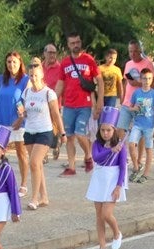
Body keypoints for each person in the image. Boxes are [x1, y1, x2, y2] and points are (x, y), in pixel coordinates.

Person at [21, 60, 63, 209]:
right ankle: (44, 196)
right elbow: (26, 113)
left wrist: (62, 132)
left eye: (36, 75)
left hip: (44, 132)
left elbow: (56, 114)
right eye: (31, 75)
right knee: (37, 165)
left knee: (33, 162)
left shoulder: (48, 93)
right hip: (30, 131)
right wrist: (22, 114)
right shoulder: (26, 92)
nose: (33, 78)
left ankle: (34, 198)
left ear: (42, 75)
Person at [57, 33, 100, 177]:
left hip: (84, 104)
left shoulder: (89, 60)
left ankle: (88, 156)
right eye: (72, 43)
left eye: (77, 42)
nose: (76, 45)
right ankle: (71, 166)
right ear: (68, 45)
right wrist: (51, 99)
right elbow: (60, 83)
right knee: (69, 136)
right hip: (68, 104)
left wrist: (99, 102)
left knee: (80, 134)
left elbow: (98, 81)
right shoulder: (64, 63)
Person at [87, 106, 127, 249]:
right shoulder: (97, 144)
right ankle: (102, 247)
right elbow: (96, 157)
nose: (105, 133)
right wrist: (111, 150)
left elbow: (123, 167)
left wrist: (119, 186)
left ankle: (117, 233)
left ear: (114, 130)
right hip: (99, 179)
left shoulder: (121, 147)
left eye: (108, 130)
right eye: (103, 130)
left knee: (106, 214)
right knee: (99, 215)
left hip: (113, 180)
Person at [0, 52, 30, 196]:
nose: (11, 64)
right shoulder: (2, 79)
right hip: (1, 121)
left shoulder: (25, 80)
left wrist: (21, 119)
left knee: (20, 153)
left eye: (14, 62)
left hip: (17, 122)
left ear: (20, 63)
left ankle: (23, 184)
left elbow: (26, 102)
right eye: (9, 61)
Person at [127, 69, 154, 183]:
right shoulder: (136, 93)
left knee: (148, 149)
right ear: (140, 79)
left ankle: (146, 173)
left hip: (149, 126)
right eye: (145, 78)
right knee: (131, 144)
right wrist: (134, 108)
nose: (147, 81)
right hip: (137, 124)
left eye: (149, 78)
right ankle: (136, 167)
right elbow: (130, 107)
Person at [122, 39, 154, 106]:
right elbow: (126, 82)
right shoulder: (128, 64)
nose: (132, 54)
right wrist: (123, 98)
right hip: (127, 103)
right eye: (130, 51)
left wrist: (137, 83)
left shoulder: (148, 64)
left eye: (135, 51)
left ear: (140, 51)